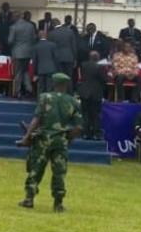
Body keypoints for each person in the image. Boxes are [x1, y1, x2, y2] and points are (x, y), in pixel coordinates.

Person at [19, 73, 82, 213]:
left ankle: (29, 199)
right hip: (60, 142)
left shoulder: (45, 97)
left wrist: (26, 137)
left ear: (54, 83)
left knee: (36, 169)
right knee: (59, 172)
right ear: (66, 85)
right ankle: (58, 203)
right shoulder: (73, 102)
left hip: (43, 140)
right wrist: (68, 139)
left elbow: (36, 120)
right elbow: (78, 127)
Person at [78, 51, 107, 140]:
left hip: (84, 92)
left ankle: (85, 133)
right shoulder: (99, 67)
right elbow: (103, 79)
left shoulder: (83, 65)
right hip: (96, 93)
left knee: (85, 114)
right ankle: (96, 134)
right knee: (95, 114)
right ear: (97, 58)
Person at [8, 12, 36, 98]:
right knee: (25, 71)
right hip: (28, 53)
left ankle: (17, 92)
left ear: (15, 17)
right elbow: (34, 39)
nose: (11, 19)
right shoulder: (31, 26)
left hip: (17, 53)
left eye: (12, 17)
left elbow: (10, 41)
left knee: (18, 72)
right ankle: (29, 89)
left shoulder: (13, 27)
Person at [48, 19, 77, 88]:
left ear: (53, 24)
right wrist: (75, 58)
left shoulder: (51, 33)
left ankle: (60, 91)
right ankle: (69, 92)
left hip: (57, 58)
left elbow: (50, 48)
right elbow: (74, 46)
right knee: (69, 77)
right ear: (60, 23)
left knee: (59, 77)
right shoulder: (70, 31)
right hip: (69, 57)